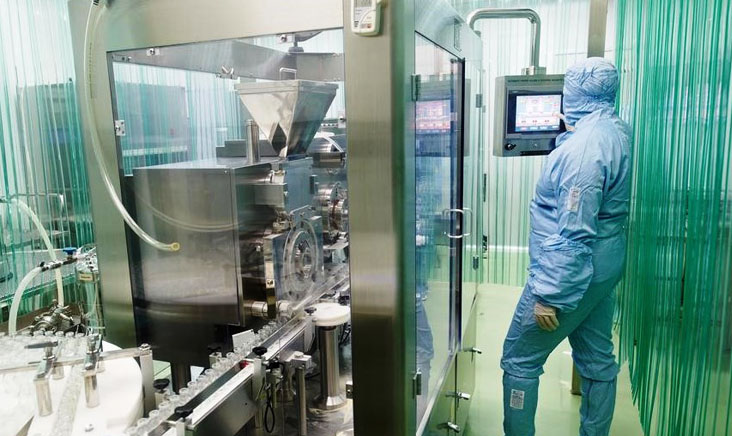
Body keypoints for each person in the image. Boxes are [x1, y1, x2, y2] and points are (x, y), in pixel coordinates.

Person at [501, 57, 632, 436]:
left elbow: (575, 231)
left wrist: (549, 295)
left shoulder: (583, 152)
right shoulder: (614, 130)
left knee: (519, 360)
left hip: (574, 274)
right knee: (596, 360)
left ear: (574, 94)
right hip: (603, 269)